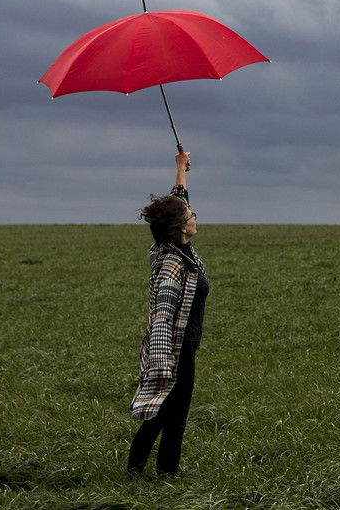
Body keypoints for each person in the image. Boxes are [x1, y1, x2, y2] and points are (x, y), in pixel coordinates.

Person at [126, 148, 209, 478]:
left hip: (184, 344)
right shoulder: (171, 264)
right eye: (190, 215)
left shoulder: (171, 245)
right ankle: (164, 475)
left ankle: (143, 472)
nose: (195, 216)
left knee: (166, 414)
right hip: (174, 349)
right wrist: (163, 366)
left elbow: (178, 200)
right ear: (180, 227)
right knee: (169, 414)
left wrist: (180, 168)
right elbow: (161, 318)